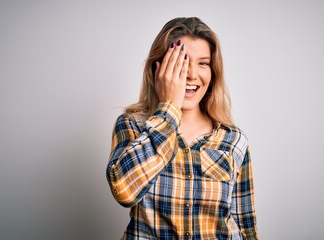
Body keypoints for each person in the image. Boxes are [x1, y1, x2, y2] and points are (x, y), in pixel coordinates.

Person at [106, 17, 259, 239]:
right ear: (158, 68)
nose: (192, 74)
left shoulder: (234, 140)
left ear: (213, 72)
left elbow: (246, 228)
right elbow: (124, 191)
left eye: (203, 63)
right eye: (181, 61)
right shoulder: (132, 125)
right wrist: (169, 108)